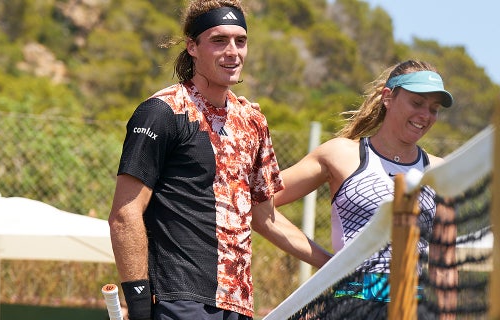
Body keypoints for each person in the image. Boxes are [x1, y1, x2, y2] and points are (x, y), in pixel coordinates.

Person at [107, 1, 332, 320]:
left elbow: (265, 218)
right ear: (192, 47)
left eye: (240, 41)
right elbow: (125, 214)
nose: (233, 51)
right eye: (218, 40)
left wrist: (335, 265)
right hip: (177, 299)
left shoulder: (252, 121)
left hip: (237, 306)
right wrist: (140, 303)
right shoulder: (163, 112)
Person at [274, 60, 458, 318]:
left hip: (412, 309)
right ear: (388, 98)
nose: (425, 116)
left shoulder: (439, 172)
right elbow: (259, 203)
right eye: (417, 103)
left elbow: (444, 266)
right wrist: (327, 263)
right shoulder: (341, 154)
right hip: (350, 306)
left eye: (434, 108)